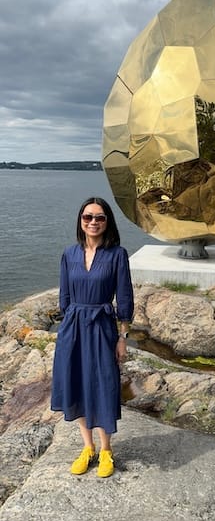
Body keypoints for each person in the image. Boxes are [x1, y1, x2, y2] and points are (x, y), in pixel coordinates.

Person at [51, 196, 134, 478]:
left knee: (103, 384)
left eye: (99, 217)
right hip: (73, 327)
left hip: (101, 328)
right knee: (77, 383)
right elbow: (64, 296)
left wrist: (122, 337)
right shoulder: (69, 254)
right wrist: (66, 329)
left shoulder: (117, 255)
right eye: (88, 217)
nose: (93, 222)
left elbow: (124, 298)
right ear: (80, 221)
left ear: (107, 222)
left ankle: (107, 449)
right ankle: (88, 448)